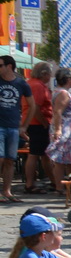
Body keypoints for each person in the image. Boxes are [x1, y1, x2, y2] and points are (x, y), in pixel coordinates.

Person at [46, 69, 71, 193]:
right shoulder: (63, 93)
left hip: (70, 131)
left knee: (70, 159)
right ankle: (61, 187)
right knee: (60, 160)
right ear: (68, 79)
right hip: (66, 131)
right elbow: (58, 112)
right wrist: (58, 130)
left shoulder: (60, 92)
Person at [23, 61, 52, 195]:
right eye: (49, 74)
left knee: (43, 153)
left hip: (34, 122)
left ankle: (53, 180)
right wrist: (44, 123)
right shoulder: (37, 86)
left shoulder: (31, 83)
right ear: (44, 74)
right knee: (35, 154)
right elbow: (36, 107)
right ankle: (30, 184)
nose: (50, 77)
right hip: (37, 123)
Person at [0, 56, 24, 202]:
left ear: (9, 66)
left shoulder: (20, 83)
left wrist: (25, 125)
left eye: (0, 65)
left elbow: (31, 104)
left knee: (10, 160)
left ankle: (7, 191)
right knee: (0, 158)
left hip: (13, 127)